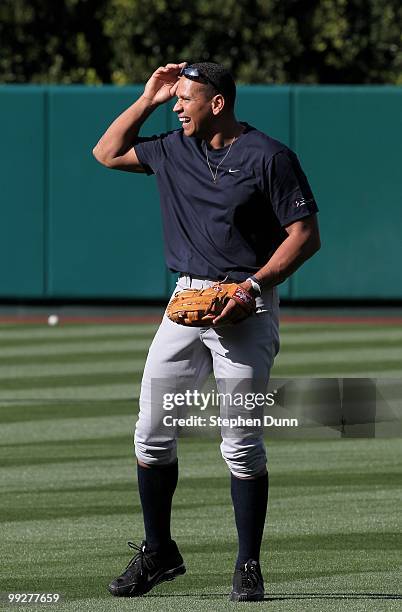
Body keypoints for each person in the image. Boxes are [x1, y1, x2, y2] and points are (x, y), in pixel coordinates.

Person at [93, 61, 321, 601]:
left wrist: (253, 288)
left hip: (245, 302)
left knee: (240, 442)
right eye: (173, 99)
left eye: (185, 98)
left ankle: (247, 565)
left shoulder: (269, 155)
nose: (177, 106)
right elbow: (106, 152)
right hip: (186, 300)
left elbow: (305, 235)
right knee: (150, 430)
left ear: (216, 103)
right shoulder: (173, 148)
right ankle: (158, 551)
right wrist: (148, 97)